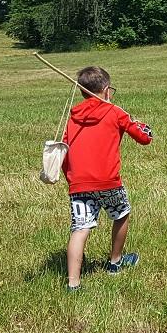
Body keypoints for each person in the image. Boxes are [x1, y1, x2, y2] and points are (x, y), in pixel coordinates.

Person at [61, 66, 154, 292]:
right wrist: (144, 126)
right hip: (108, 180)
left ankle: (73, 283)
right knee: (121, 214)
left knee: (79, 228)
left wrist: (70, 178)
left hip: (78, 183)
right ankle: (116, 261)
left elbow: (64, 148)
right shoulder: (114, 112)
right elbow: (144, 138)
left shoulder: (73, 116)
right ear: (106, 90)